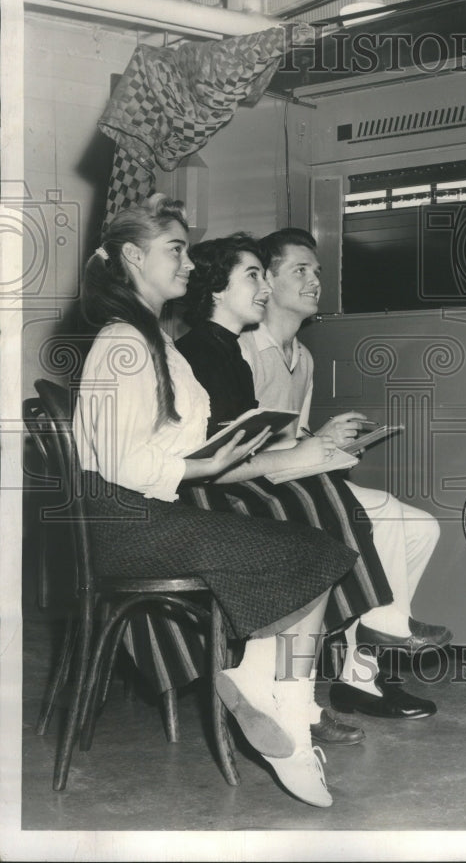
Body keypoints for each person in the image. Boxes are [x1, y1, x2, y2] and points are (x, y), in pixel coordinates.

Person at [73, 195, 358, 806]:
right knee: (314, 551)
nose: (186, 262)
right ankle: (274, 693)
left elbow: (159, 441)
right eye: (174, 249)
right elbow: (123, 464)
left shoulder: (153, 339)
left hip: (149, 511)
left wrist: (219, 454)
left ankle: (270, 685)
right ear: (132, 257)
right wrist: (205, 463)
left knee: (316, 549)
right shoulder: (124, 343)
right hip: (129, 521)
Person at [174, 231, 424, 730]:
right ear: (219, 289)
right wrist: (305, 454)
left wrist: (320, 445)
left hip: (249, 478)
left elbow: (265, 438)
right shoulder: (219, 348)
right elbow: (212, 454)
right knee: (321, 513)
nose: (267, 287)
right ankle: (304, 685)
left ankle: (332, 675)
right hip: (216, 496)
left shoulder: (254, 351)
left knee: (375, 514)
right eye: (256, 276)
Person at [239, 229, 452, 720]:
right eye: (300, 271)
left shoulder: (304, 357)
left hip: (294, 478)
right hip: (257, 489)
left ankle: (362, 671)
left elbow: (294, 437)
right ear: (265, 281)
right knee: (381, 512)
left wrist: (332, 444)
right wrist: (313, 446)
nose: (314, 281)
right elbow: (248, 448)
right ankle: (376, 645)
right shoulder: (246, 348)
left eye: (316, 271)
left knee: (421, 526)